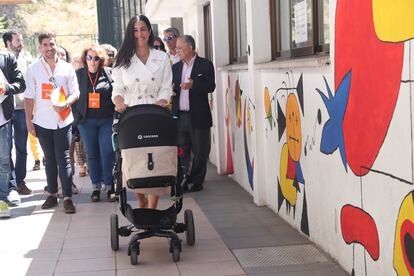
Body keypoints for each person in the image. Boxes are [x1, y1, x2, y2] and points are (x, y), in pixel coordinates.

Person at [112, 14, 172, 209]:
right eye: (135, 30)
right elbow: (118, 88)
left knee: (157, 157)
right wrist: (119, 102)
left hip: (156, 112)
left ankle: (152, 207)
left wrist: (162, 101)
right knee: (136, 159)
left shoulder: (162, 57)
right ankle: (140, 200)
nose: (140, 34)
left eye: (143, 29)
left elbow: (166, 86)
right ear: (131, 32)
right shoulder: (122, 60)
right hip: (132, 114)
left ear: (149, 31)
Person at [24, 32, 80, 214]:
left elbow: (75, 92)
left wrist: (66, 102)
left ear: (57, 46)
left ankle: (67, 197)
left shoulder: (67, 68)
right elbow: (29, 98)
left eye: (52, 44)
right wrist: (29, 122)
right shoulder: (33, 69)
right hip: (42, 121)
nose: (49, 48)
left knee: (64, 158)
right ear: (40, 47)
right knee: (49, 159)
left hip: (63, 119)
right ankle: (52, 193)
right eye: (45, 45)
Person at [171, 35, 216, 192]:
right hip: (180, 116)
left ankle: (197, 181)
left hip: (198, 116)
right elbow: (172, 87)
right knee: (182, 151)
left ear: (190, 48)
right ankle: (184, 178)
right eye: (176, 48)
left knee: (200, 151)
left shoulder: (205, 65)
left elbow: (211, 86)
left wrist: (194, 85)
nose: (177, 51)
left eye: (180, 48)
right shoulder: (175, 68)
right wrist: (171, 91)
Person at [73, 44, 115, 202]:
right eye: (89, 57)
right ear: (85, 59)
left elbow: (117, 93)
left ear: (101, 60)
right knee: (92, 154)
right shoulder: (78, 74)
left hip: (106, 120)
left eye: (96, 58)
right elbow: (72, 96)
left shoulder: (109, 73)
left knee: (107, 152)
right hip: (86, 121)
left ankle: (110, 185)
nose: (92, 61)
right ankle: (96, 186)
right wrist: (76, 118)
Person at [3, 30, 32, 197]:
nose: (21, 43)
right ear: (8, 43)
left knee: (22, 148)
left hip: (21, 110)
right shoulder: (3, 59)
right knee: (6, 149)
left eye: (21, 40)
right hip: (5, 110)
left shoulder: (27, 60)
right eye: (17, 41)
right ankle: (10, 183)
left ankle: (20, 181)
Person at [0, 48, 26, 217]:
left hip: (2, 119)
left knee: (3, 161)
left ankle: (2, 200)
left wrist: (6, 88)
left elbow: (20, 84)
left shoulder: (6, 57)